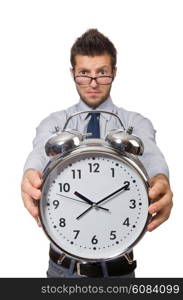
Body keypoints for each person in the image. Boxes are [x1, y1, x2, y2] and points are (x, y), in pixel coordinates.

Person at [21, 29, 173, 278]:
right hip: (62, 271)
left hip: (118, 272)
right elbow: (40, 149)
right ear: (73, 74)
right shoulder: (55, 122)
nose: (93, 83)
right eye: (84, 74)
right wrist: (29, 173)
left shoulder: (135, 123)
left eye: (101, 73)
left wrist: (161, 179)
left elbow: (152, 154)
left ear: (114, 72)